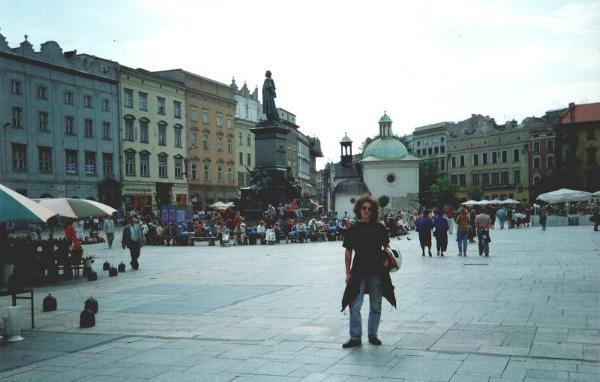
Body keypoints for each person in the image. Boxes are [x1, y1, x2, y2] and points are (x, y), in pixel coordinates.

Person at [341, 195, 395, 348]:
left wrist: (388, 258)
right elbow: (348, 252)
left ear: (373, 211)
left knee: (376, 305)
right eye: (364, 208)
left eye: (369, 209)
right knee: (355, 305)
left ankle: (373, 335)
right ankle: (355, 338)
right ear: (359, 209)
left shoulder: (379, 227)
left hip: (377, 270)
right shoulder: (353, 228)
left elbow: (387, 246)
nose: (366, 211)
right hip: (358, 270)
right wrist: (347, 273)